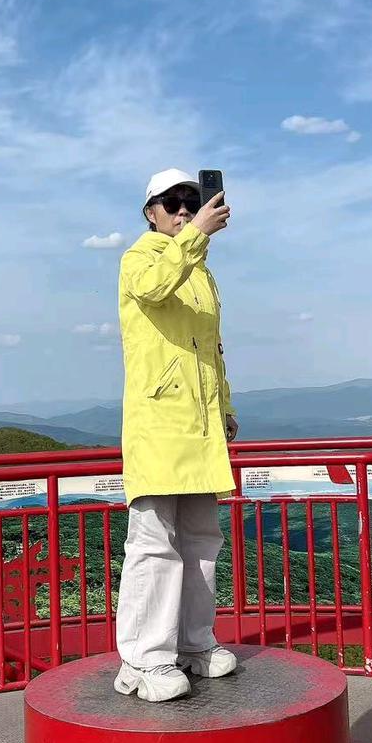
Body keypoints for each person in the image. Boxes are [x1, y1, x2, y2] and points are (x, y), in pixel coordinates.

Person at [114, 168, 240, 702]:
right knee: (153, 544)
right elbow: (153, 286)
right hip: (160, 425)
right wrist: (196, 239)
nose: (185, 211)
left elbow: (210, 351)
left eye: (192, 201)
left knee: (200, 542)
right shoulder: (141, 257)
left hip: (200, 428)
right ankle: (144, 660)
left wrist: (226, 408)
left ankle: (193, 644)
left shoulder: (199, 269)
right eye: (173, 203)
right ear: (151, 212)